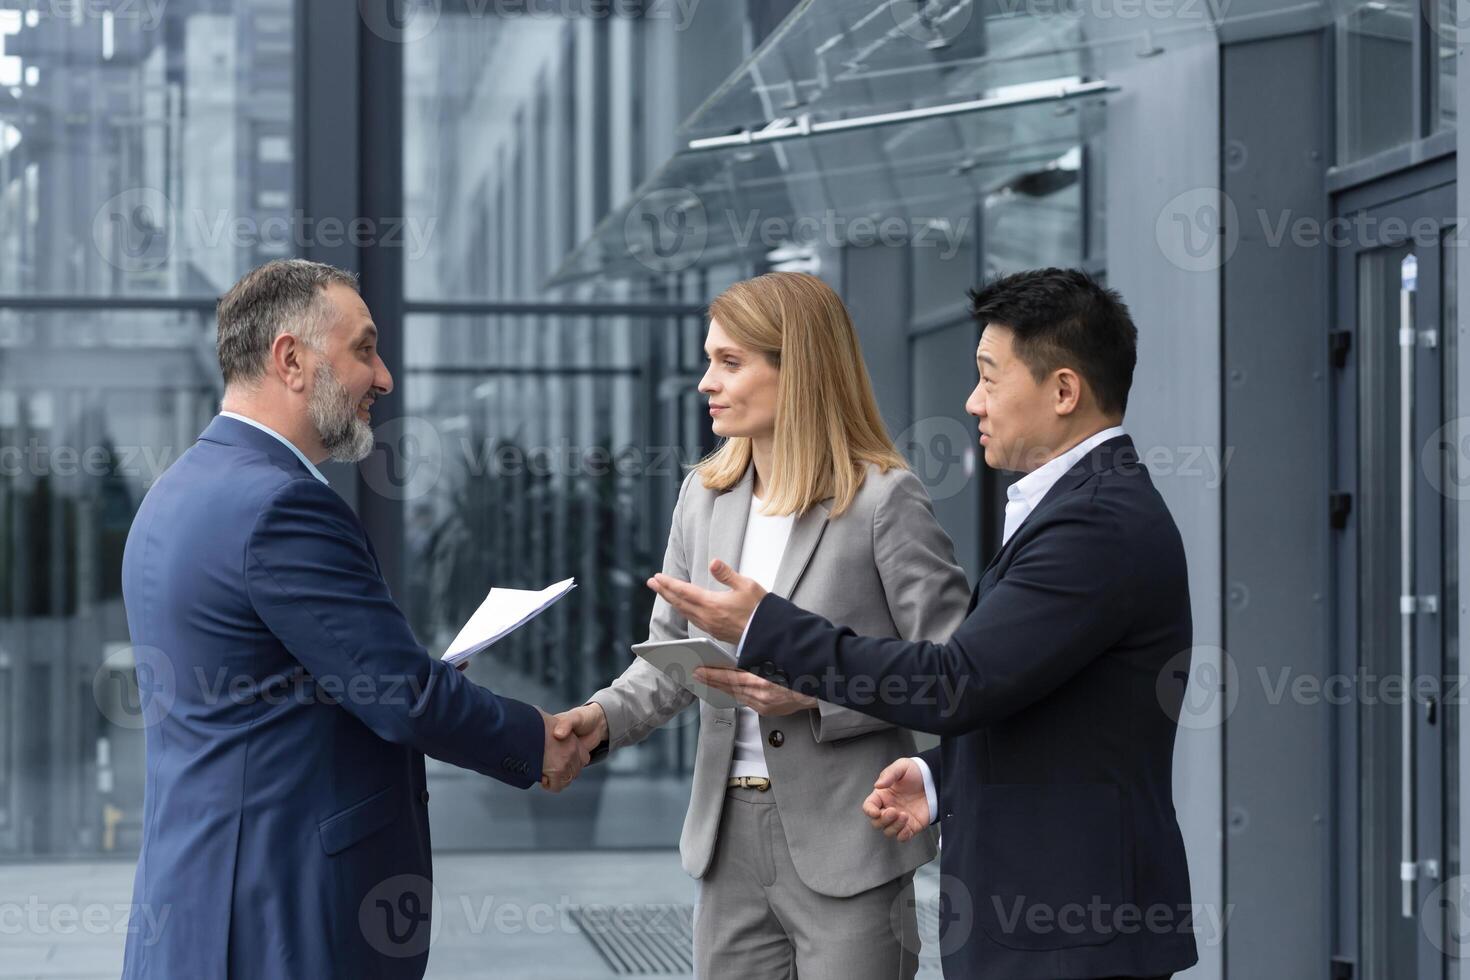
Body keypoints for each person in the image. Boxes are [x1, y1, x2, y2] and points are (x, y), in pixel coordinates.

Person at [650, 268, 1199, 980]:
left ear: (1063, 391)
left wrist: (769, 630)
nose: (972, 401)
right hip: (1050, 921)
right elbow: (1035, 707)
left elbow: (954, 679)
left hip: (1070, 929)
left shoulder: (1095, 525)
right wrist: (942, 781)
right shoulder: (1077, 512)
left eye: (989, 378)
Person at [118, 259, 588, 980]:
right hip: (279, 914)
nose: (385, 377)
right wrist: (537, 741)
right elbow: (400, 696)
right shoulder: (280, 506)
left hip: (197, 898)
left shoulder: (176, 491)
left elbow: (285, 677)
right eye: (364, 349)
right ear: (291, 359)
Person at [552, 272, 970, 980]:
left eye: (730, 362)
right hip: (726, 844)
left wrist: (813, 695)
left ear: (798, 368)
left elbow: (951, 672)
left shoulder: (883, 501)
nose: (705, 383)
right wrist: (599, 719)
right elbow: (667, 661)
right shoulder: (703, 498)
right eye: (710, 360)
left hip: (851, 841)